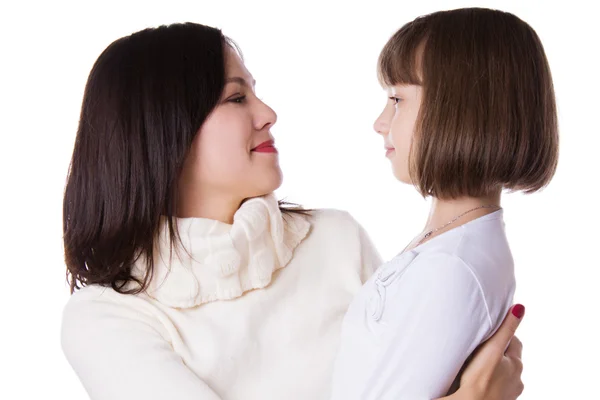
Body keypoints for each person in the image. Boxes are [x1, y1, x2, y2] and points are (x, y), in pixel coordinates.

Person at [61, 22, 525, 400]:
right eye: (236, 97)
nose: (268, 113)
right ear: (162, 131)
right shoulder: (108, 319)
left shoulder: (335, 239)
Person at [330, 7, 557, 399]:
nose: (380, 122)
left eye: (397, 98)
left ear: (462, 111)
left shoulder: (450, 267)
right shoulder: (452, 247)